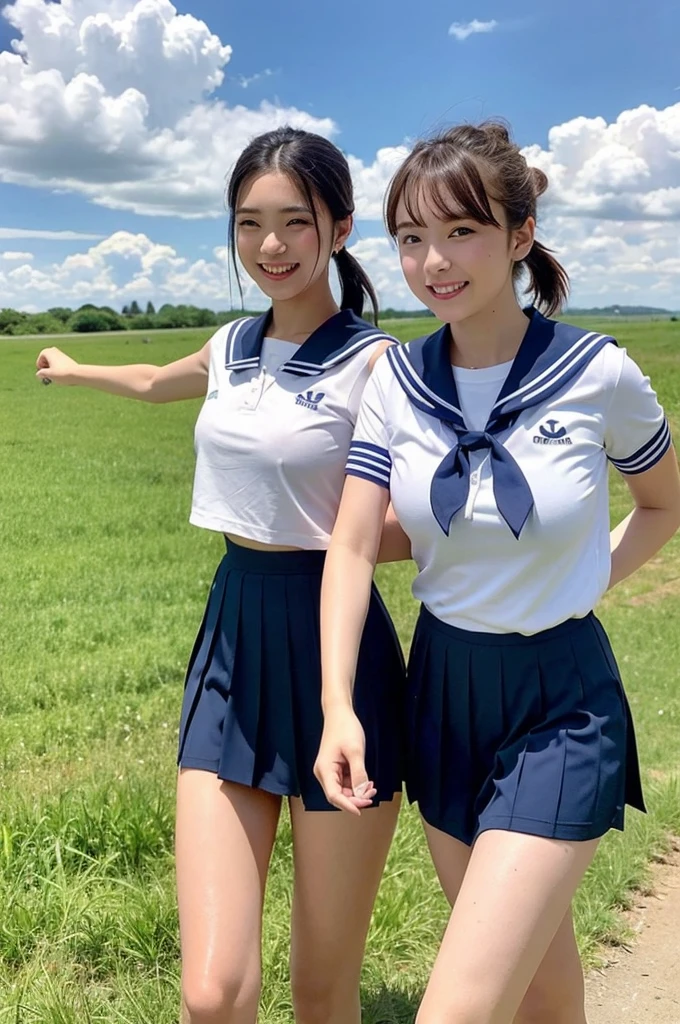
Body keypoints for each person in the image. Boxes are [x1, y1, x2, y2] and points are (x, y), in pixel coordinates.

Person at [36, 126, 408, 1024]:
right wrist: (77, 366)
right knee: (213, 992)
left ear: (341, 227)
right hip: (233, 633)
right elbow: (163, 378)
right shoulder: (232, 341)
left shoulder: (377, 363)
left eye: (293, 221)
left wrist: (340, 536)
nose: (270, 245)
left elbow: (429, 521)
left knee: (322, 992)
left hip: (335, 647)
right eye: (249, 223)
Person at [314, 121, 680, 1023]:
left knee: (458, 1009)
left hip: (561, 704)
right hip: (442, 692)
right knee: (542, 998)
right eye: (410, 238)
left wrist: (586, 583)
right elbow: (355, 544)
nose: (434, 260)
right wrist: (337, 708)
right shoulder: (396, 382)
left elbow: (666, 501)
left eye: (461, 231)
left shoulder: (600, 373)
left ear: (520, 236)